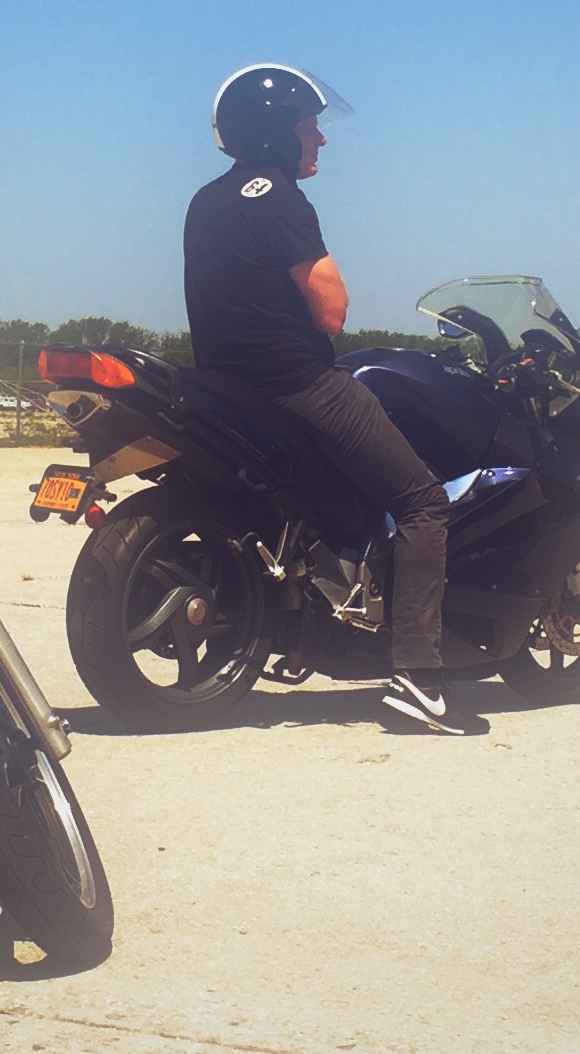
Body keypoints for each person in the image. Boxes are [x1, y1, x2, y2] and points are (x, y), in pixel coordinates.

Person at [183, 62, 457, 732]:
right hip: (299, 386)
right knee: (423, 501)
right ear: (277, 133)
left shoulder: (205, 200)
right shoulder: (280, 196)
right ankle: (418, 675)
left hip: (225, 393)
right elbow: (331, 309)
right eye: (311, 126)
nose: (321, 140)